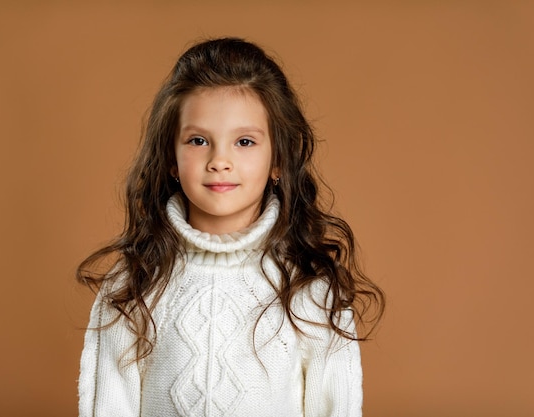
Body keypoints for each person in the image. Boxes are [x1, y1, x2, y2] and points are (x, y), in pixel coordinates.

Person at [77, 37, 385, 417]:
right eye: (198, 140)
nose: (219, 160)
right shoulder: (133, 284)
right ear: (171, 159)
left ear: (278, 161)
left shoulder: (309, 288)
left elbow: (334, 406)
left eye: (244, 141)